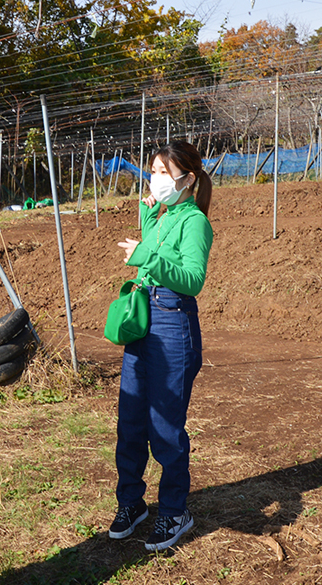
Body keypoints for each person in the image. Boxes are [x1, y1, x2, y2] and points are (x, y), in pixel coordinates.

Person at [109, 140, 213, 551]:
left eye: (164, 172)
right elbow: (152, 238)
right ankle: (131, 503)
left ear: (188, 179)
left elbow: (192, 280)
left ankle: (174, 511)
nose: (155, 178)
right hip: (143, 321)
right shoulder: (164, 214)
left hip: (173, 323)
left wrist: (146, 257)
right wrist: (149, 208)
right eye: (152, 170)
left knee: (165, 427)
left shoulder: (195, 223)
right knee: (131, 418)